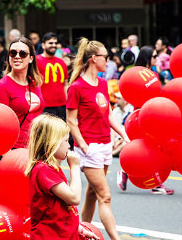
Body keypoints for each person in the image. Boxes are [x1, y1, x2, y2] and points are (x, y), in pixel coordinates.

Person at [66, 38, 130, 240]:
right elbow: (70, 121)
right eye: (105, 57)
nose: (108, 61)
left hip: (104, 146)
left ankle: (80, 233)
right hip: (89, 148)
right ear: (94, 59)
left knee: (92, 194)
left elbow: (109, 114)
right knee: (105, 195)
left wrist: (124, 135)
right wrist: (84, 146)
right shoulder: (76, 87)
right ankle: (115, 238)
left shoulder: (102, 84)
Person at [26, 114, 98, 240]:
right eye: (65, 141)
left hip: (63, 233)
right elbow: (74, 198)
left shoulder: (51, 168)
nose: (69, 146)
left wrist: (79, 229)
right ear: (51, 143)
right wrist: (74, 167)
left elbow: (63, 208)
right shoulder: (43, 170)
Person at [0, 36, 45, 150]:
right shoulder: (2, 86)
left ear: (31, 58)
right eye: (13, 53)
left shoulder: (35, 82)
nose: (17, 56)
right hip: (15, 148)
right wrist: (5, 153)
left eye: (22, 53)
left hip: (37, 147)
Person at [37, 32, 68, 121]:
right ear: (43, 45)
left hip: (62, 106)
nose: (53, 45)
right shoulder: (37, 61)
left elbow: (65, 84)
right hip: (44, 106)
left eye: (55, 43)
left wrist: (68, 102)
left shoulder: (62, 62)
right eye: (50, 43)